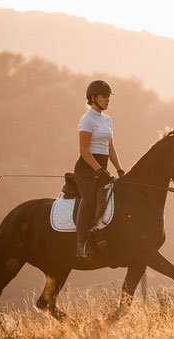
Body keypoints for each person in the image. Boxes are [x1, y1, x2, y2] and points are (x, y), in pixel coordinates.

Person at [74, 80, 125, 259]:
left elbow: (110, 148)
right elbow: (84, 150)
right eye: (104, 96)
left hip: (101, 168)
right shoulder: (87, 120)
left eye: (109, 97)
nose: (108, 100)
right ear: (94, 98)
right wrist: (97, 169)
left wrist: (119, 169)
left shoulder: (107, 120)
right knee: (90, 199)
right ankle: (81, 244)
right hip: (86, 169)